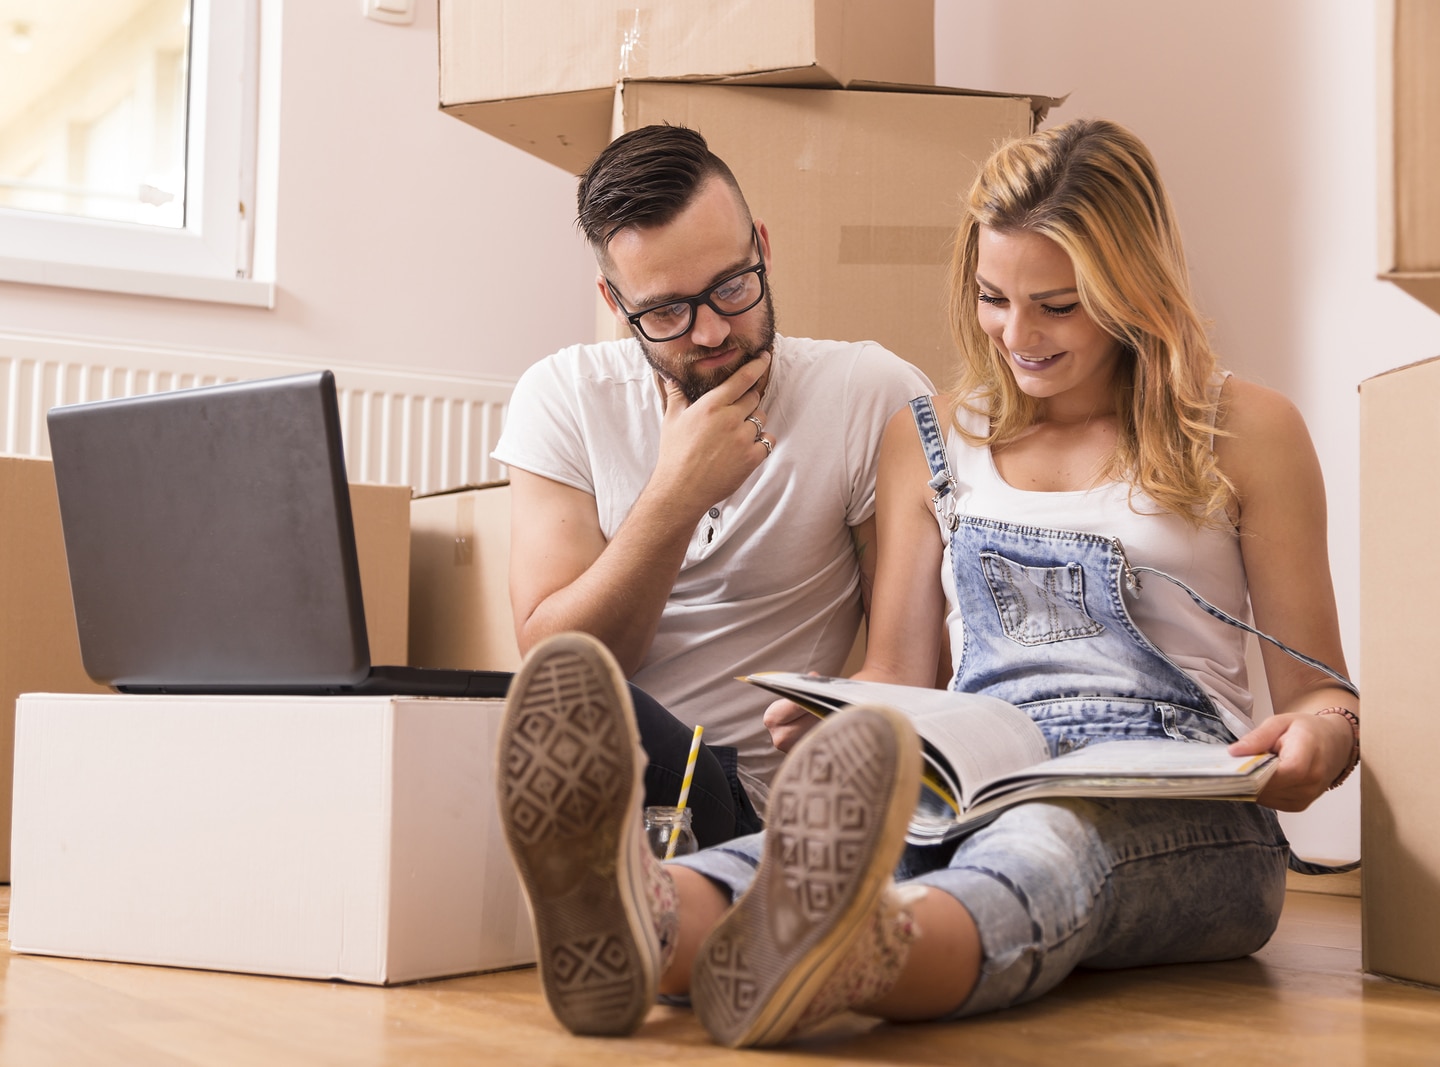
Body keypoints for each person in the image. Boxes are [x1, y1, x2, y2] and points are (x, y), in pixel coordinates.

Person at [494, 117, 1360, 1047]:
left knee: (1045, 851)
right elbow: (900, 672)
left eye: (1058, 305)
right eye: (993, 297)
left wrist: (1314, 743)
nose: (1017, 336)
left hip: (1179, 803)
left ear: (1133, 288)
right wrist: (837, 709)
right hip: (982, 769)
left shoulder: (1249, 430)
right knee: (836, 849)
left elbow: (1323, 696)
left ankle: (848, 954)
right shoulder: (933, 431)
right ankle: (649, 915)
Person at [490, 125, 934, 848]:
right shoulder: (562, 394)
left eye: (732, 286)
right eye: (666, 310)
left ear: (762, 245)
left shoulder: (865, 392)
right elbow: (560, 662)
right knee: (520, 710)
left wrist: (853, 710)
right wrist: (676, 490)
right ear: (612, 299)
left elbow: (920, 662)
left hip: (754, 798)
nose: (710, 331)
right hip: (607, 771)